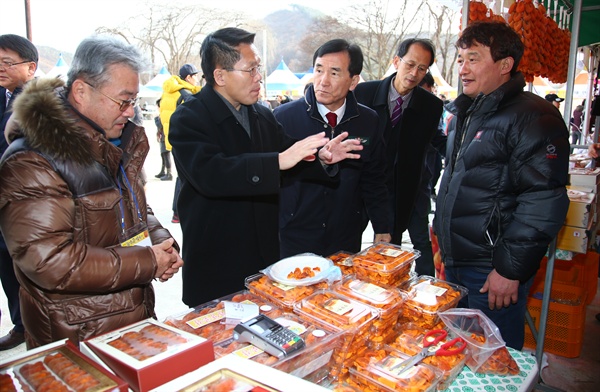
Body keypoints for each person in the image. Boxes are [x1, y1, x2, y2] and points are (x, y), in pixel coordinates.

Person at [0, 35, 183, 348]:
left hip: (129, 316)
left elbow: (132, 208)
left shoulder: (116, 141)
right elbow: (49, 261)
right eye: (123, 101)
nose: (129, 112)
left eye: (134, 101)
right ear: (81, 91)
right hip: (77, 332)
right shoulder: (33, 159)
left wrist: (160, 239)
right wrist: (148, 262)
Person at [169, 27, 362, 307]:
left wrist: (320, 157)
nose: (259, 77)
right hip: (218, 260)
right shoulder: (190, 117)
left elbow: (289, 154)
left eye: (258, 68)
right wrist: (276, 161)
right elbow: (211, 174)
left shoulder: (261, 114)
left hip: (264, 257)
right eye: (251, 70)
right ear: (220, 76)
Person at [433, 21, 570, 350]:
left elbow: (543, 201)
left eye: (474, 58)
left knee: (494, 358)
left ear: (505, 65)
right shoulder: (466, 114)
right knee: (459, 351)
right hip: (457, 262)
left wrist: (509, 270)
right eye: (461, 59)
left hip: (493, 269)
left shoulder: (534, 116)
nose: (463, 69)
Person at [273, 39, 391, 257]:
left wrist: (382, 225)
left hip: (345, 235)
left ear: (353, 81)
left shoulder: (368, 121)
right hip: (295, 234)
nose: (323, 81)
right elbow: (269, 172)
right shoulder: (283, 118)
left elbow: (374, 178)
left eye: (334, 73)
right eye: (319, 70)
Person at [354, 38, 444, 275]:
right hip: (360, 186)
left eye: (422, 68)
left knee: (389, 256)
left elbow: (429, 145)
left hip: (401, 191)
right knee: (350, 249)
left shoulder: (431, 106)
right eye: (410, 64)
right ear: (396, 61)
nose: (414, 73)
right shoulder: (364, 93)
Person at [0, 34, 37, 350]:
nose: (1, 68)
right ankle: (20, 323)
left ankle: (27, 325)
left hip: (20, 201)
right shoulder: (4, 96)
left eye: (7, 62)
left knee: (20, 267)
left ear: (31, 67)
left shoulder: (36, 104)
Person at [159, 63, 201, 225]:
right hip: (186, 141)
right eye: (195, 76)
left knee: (181, 176)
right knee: (185, 178)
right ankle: (178, 212)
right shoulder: (185, 94)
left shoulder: (169, 92)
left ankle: (176, 211)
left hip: (174, 140)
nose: (197, 79)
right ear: (188, 78)